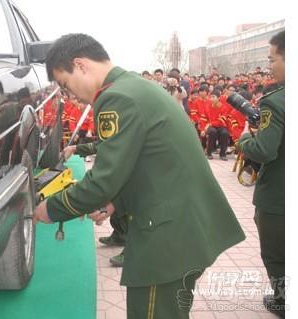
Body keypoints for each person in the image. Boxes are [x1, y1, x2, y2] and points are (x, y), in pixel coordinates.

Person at [33, 33, 245, 319]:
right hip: (186, 226)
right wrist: (116, 203)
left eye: (66, 85)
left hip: (167, 237)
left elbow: (103, 181)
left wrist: (52, 208)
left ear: (80, 65)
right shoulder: (136, 87)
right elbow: (149, 161)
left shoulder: (116, 98)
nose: (70, 95)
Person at [238, 30, 285, 318]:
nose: (270, 66)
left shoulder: (276, 101)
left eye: (272, 59)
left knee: (277, 256)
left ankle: (283, 301)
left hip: (280, 197)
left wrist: (245, 140)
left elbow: (265, 150)